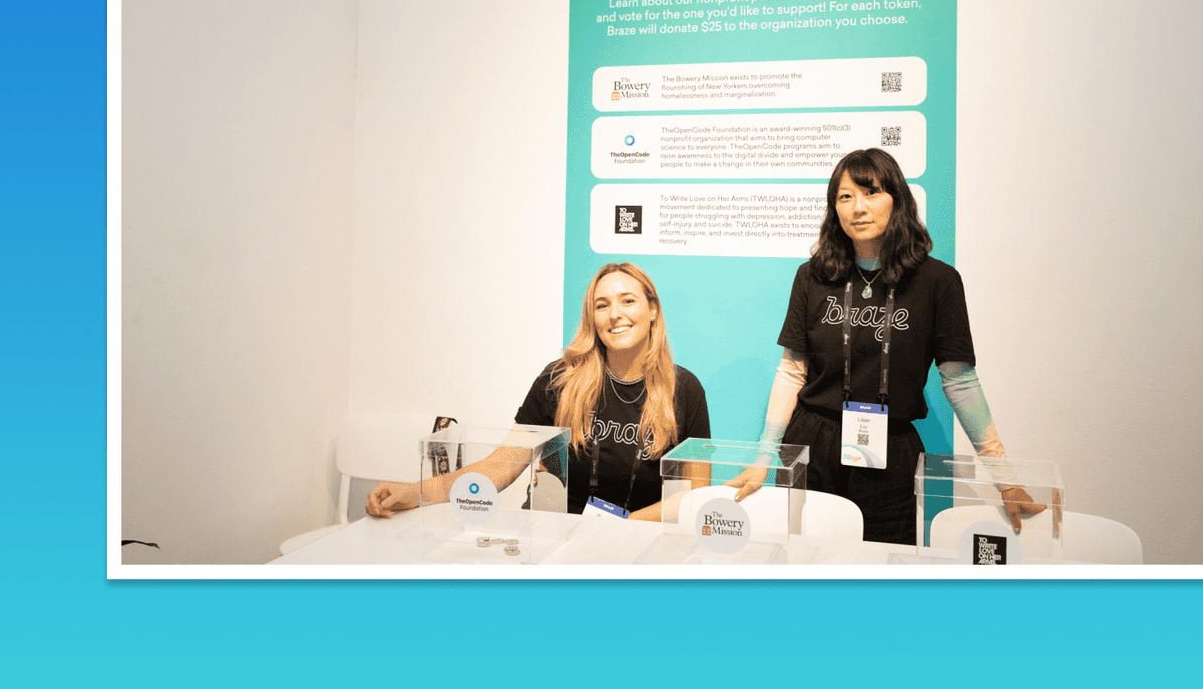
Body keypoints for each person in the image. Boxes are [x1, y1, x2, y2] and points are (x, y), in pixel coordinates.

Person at [729, 148, 1042, 544]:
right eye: (845, 197)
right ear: (834, 209)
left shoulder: (938, 282)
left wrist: (1004, 479)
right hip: (811, 444)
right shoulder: (812, 276)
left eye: (871, 192)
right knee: (805, 561)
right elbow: (792, 371)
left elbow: (960, 382)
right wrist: (764, 457)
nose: (858, 207)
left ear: (897, 200)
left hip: (890, 451)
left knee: (886, 564)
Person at [365, 262, 711, 522]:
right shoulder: (559, 379)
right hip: (554, 535)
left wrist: (621, 527)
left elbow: (697, 495)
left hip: (634, 544)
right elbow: (501, 466)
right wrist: (416, 492)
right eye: (602, 305)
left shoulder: (684, 390)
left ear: (653, 310)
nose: (615, 315)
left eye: (628, 301)